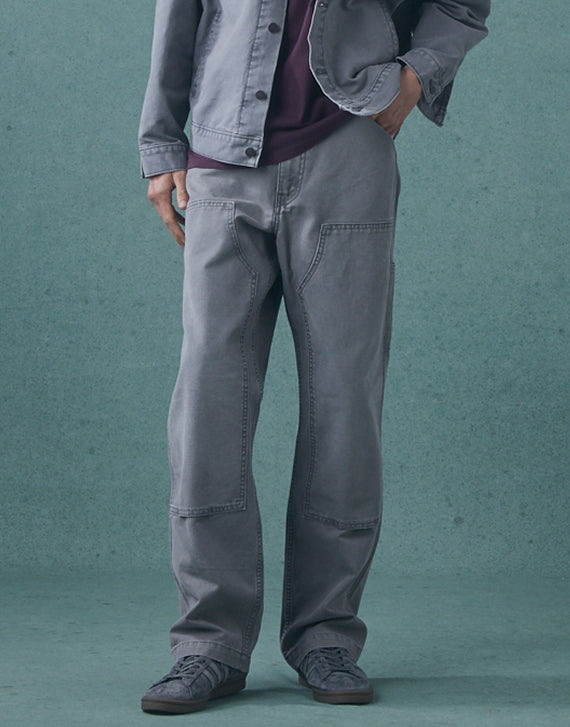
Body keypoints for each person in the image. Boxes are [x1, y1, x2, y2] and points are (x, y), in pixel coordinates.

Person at [137, 0, 490, 714]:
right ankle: (208, 644)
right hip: (220, 161)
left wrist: (414, 77)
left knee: (343, 406)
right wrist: (161, 145)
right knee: (206, 409)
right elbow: (181, 12)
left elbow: (461, 5)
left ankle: (326, 635)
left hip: (348, 152)